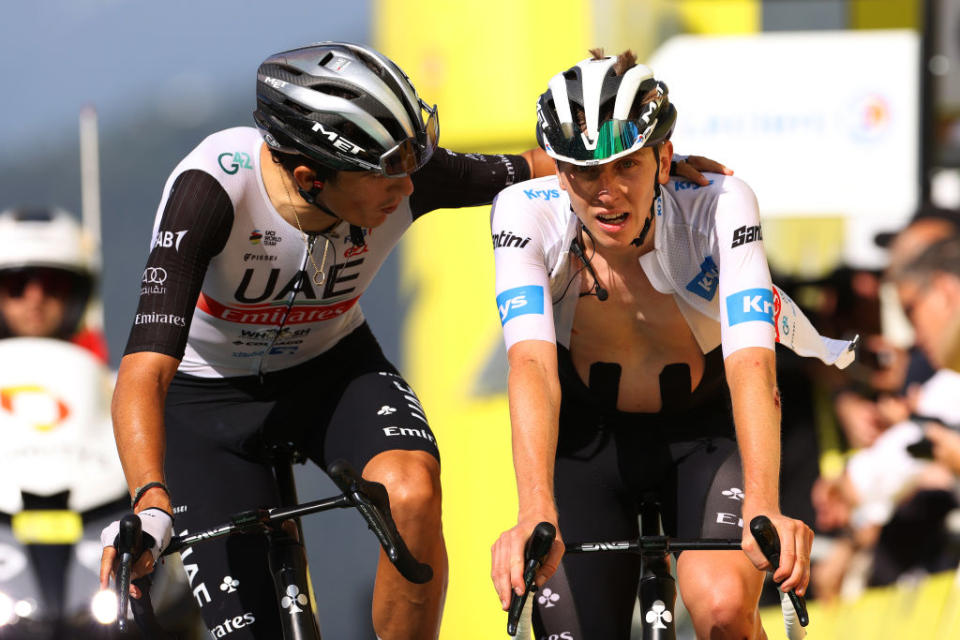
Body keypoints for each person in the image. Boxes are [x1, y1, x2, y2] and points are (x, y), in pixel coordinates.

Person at [96, 41, 727, 639]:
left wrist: (662, 172)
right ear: (311, 176)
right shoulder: (213, 189)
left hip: (330, 370)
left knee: (414, 492)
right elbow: (143, 371)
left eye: (412, 164)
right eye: (388, 174)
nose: (409, 185)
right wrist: (150, 502)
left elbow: (554, 168)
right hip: (207, 401)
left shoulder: (414, 174)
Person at [488, 50, 855, 639]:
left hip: (702, 437)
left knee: (722, 614)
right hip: (591, 445)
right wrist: (535, 509)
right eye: (584, 172)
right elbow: (530, 364)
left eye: (626, 165)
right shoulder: (524, 217)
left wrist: (764, 502)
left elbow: (753, 364)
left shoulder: (718, 205)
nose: (605, 192)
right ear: (558, 173)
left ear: (664, 159)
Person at [0, 206, 107, 360]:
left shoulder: (111, 381)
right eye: (17, 284)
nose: (35, 297)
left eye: (53, 284)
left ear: (76, 294)